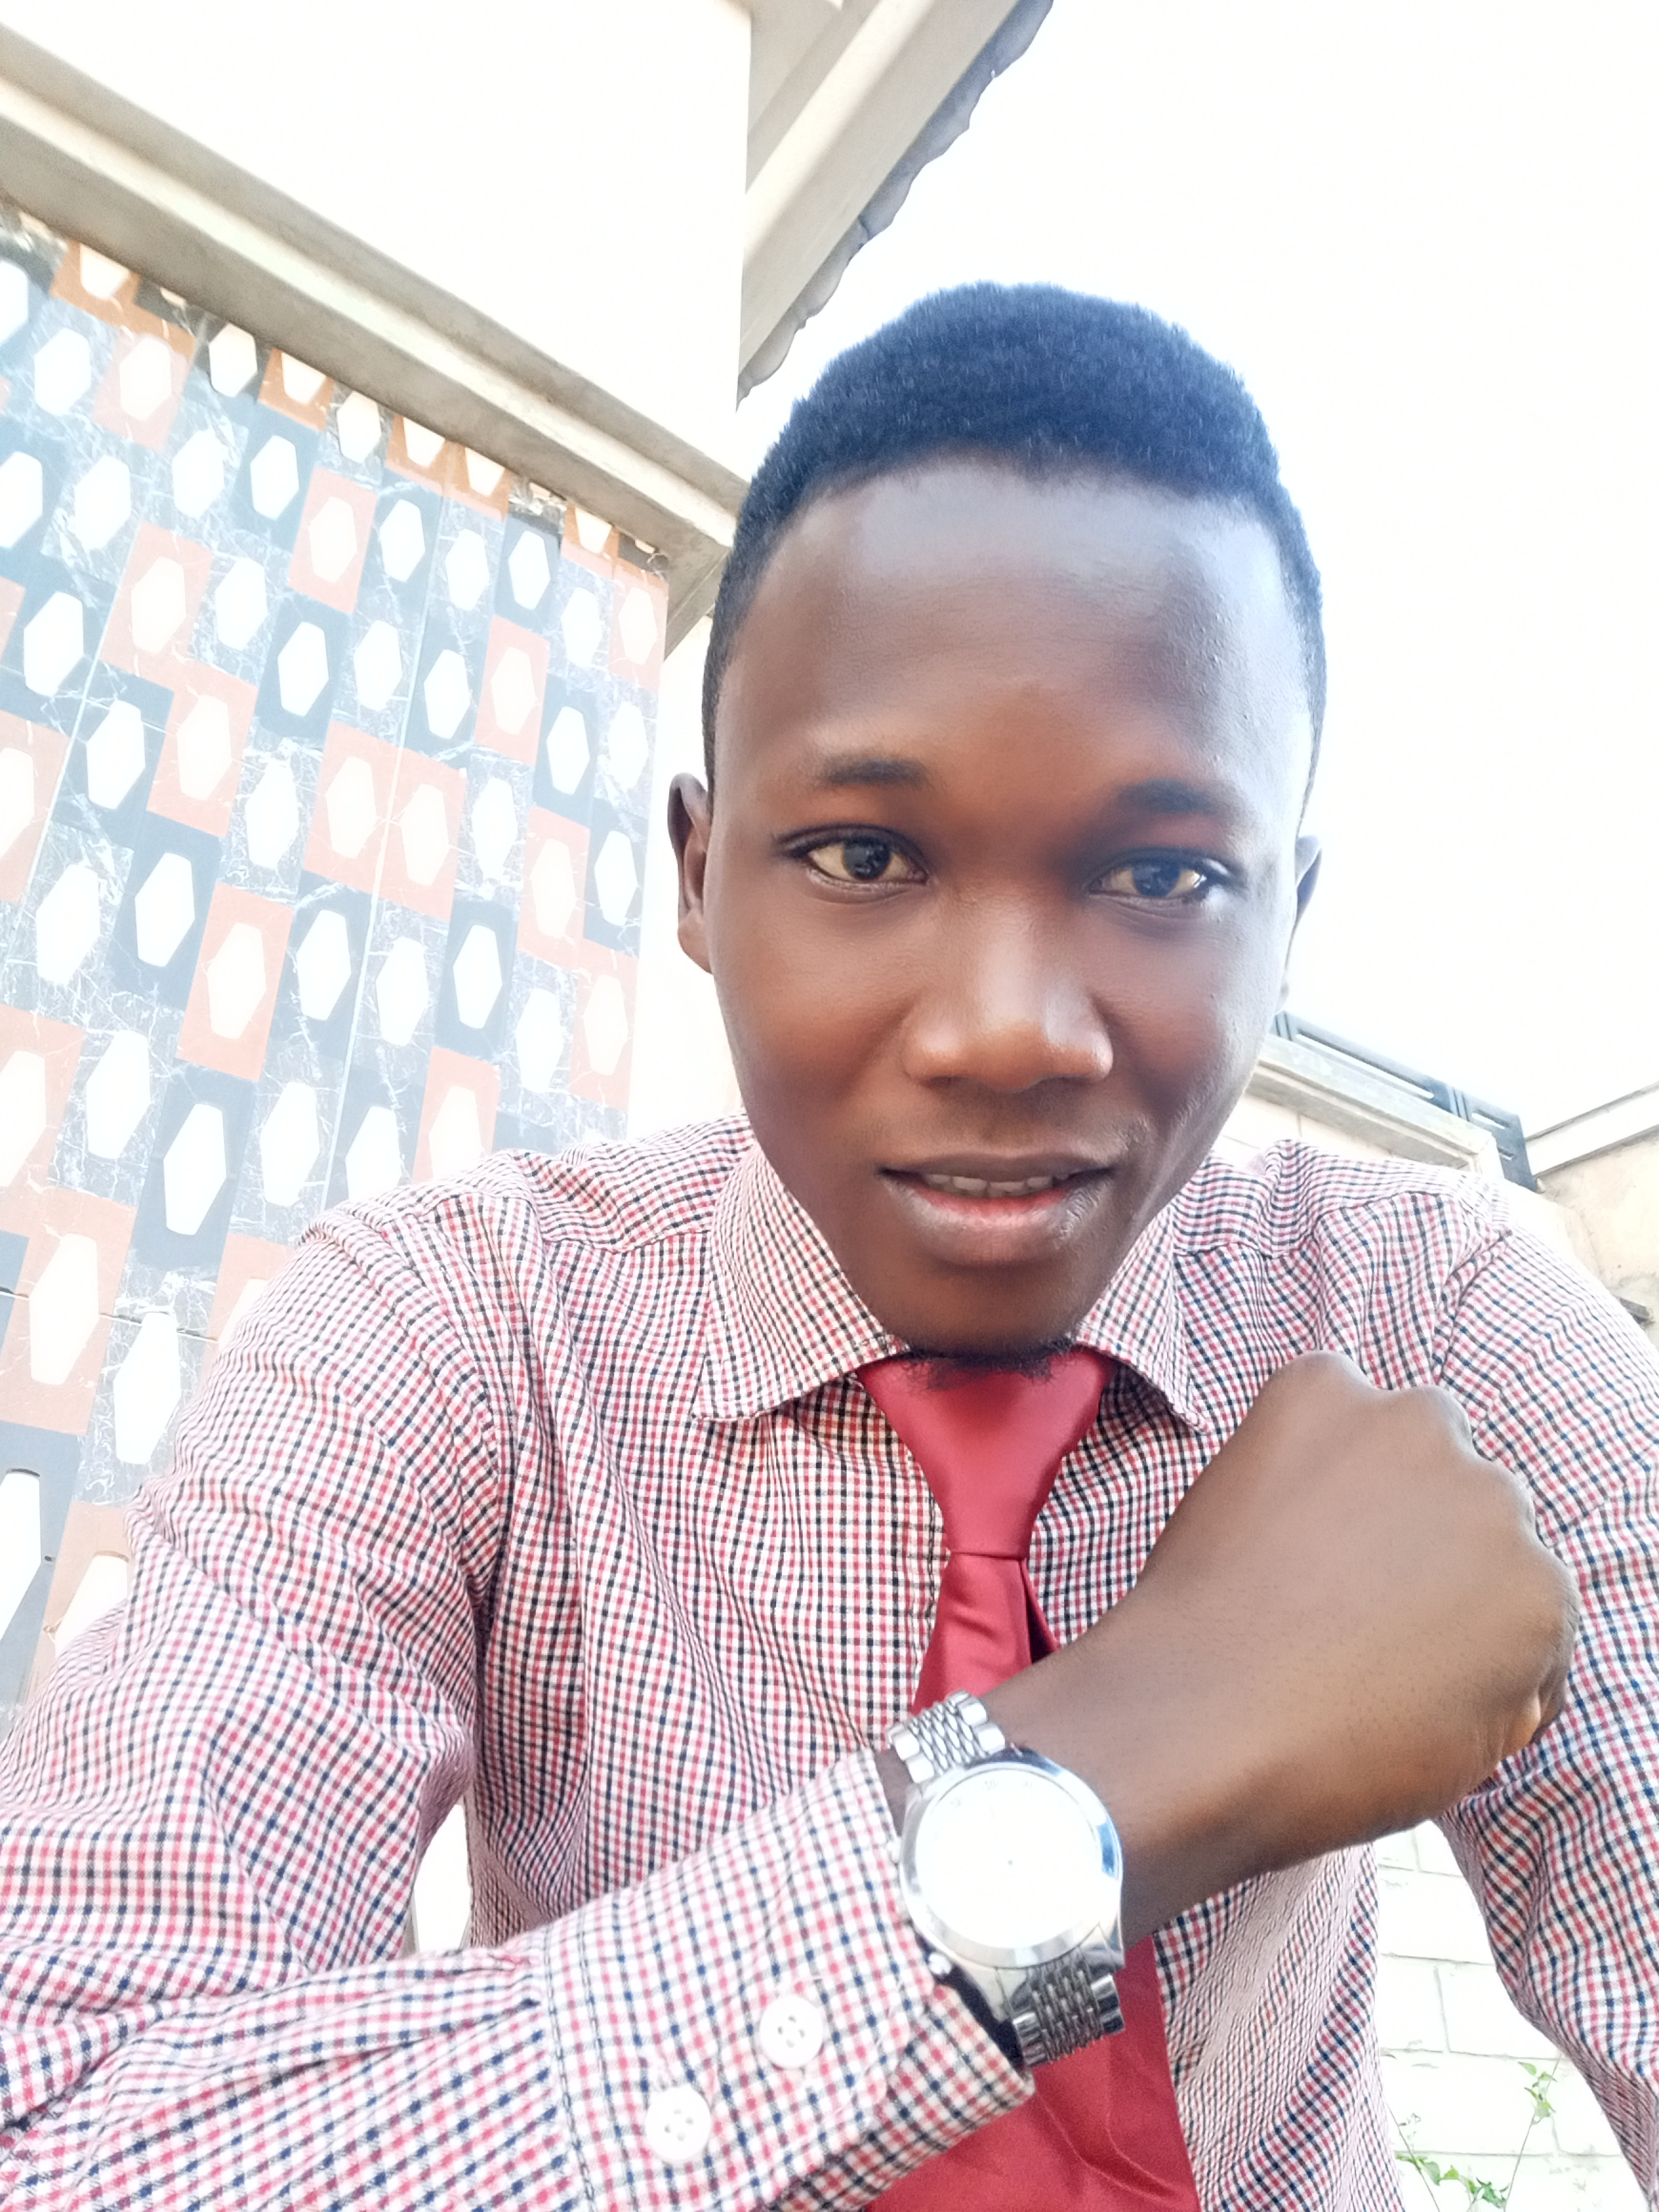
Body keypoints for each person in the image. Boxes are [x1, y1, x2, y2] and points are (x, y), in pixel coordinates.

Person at [0, 285, 1649, 2211]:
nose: (1009, 1032)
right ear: (701, 875)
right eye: (865, 856)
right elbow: (60, 2127)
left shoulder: (1439, 1322)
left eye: (1163, 874)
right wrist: (1098, 1783)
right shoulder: (446, 1331)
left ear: (1290, 916)